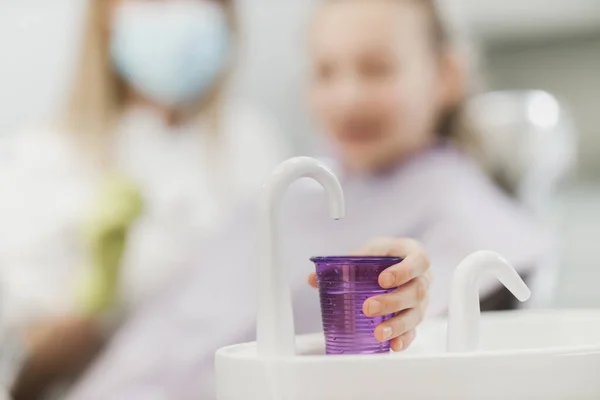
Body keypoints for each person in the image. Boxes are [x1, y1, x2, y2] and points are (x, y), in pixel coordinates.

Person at [51, 0, 546, 398]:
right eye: (325, 72)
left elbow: (436, 317)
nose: (346, 96)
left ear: (446, 77)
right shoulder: (292, 192)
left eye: (376, 69)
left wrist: (405, 298)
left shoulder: (463, 211)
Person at [0, 0, 290, 397]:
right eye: (156, 2)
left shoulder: (255, 144)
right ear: (105, 14)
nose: (180, 13)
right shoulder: (43, 157)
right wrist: (97, 293)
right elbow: (28, 373)